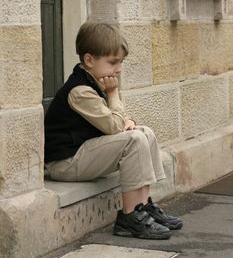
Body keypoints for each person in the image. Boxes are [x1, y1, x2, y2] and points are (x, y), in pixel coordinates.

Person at [44, 21, 183, 240]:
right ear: (89, 60)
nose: (118, 68)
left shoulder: (94, 83)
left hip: (83, 154)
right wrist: (114, 93)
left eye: (121, 62)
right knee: (133, 139)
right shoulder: (80, 91)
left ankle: (143, 206)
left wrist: (124, 121)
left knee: (144, 132)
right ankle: (129, 217)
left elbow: (114, 123)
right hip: (65, 162)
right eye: (113, 62)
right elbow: (114, 126)